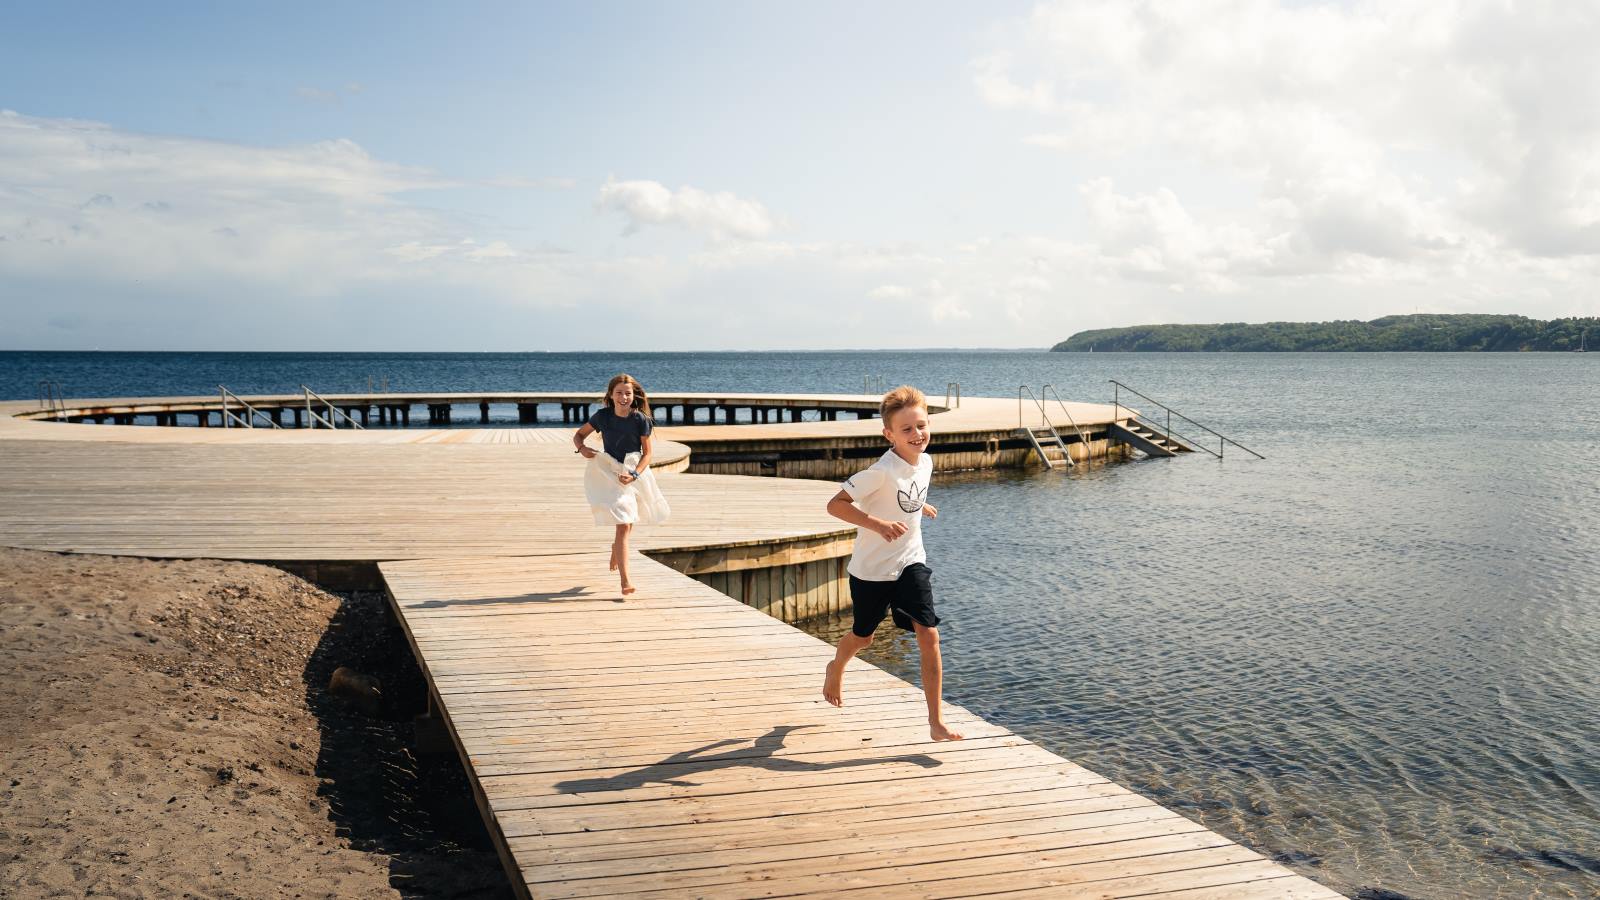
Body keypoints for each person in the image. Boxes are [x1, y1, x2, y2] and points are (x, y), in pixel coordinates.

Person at [821, 385, 963, 742]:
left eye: (922, 426)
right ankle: (835, 667)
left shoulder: (926, 461)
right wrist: (878, 524)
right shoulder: (879, 471)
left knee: (929, 635)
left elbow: (909, 495)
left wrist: (919, 507)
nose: (917, 435)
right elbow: (835, 505)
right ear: (889, 434)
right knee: (864, 637)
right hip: (871, 570)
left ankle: (936, 722)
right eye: (907, 430)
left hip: (910, 561)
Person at [573, 374, 669, 595]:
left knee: (629, 518)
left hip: (634, 469)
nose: (623, 397)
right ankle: (626, 581)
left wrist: (634, 474)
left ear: (633, 395)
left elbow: (648, 454)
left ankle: (617, 548)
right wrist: (583, 449)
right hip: (609, 470)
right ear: (611, 395)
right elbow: (579, 435)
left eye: (627, 393)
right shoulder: (602, 417)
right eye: (619, 393)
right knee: (624, 523)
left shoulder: (640, 420)